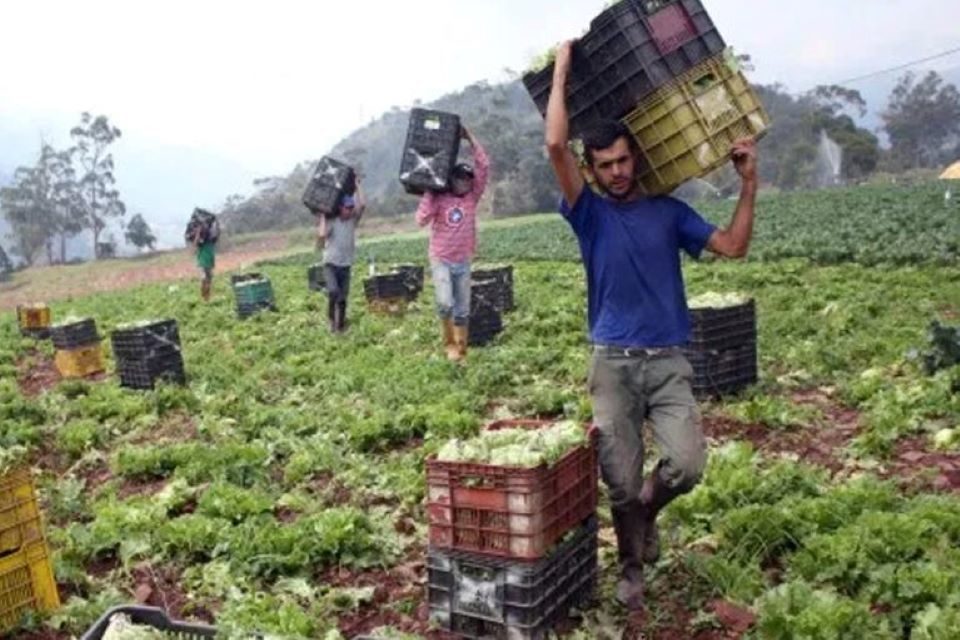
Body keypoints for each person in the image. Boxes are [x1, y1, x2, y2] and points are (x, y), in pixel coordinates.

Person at [545, 41, 759, 611]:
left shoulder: (669, 211)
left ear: (635, 156)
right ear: (592, 170)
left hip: (667, 361)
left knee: (685, 466)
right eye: (605, 164)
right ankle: (632, 566)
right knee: (617, 478)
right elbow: (553, 145)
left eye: (623, 160)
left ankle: (647, 509)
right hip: (611, 362)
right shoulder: (588, 214)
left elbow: (734, 247)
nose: (617, 171)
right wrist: (562, 72)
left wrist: (748, 183)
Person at [415, 126, 489, 362]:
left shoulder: (471, 198)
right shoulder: (439, 199)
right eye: (461, 179)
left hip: (463, 259)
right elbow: (420, 220)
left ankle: (462, 351)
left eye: (468, 180)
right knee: (445, 303)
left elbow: (484, 166)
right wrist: (429, 192)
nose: (466, 183)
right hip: (441, 259)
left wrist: (470, 138)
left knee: (462, 309)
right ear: (452, 180)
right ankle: (448, 345)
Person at [318, 179, 365, 333]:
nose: (350, 210)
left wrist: (357, 185)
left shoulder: (352, 221)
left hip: (345, 264)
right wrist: (323, 216)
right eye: (347, 207)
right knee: (333, 291)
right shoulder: (332, 221)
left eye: (351, 207)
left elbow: (362, 205)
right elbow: (322, 234)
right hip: (330, 264)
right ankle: (331, 319)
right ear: (340, 207)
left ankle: (341, 326)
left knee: (343, 298)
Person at [192, 219, 216, 302]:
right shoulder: (202, 241)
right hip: (203, 263)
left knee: (208, 282)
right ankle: (204, 298)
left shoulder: (210, 240)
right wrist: (198, 233)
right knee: (204, 280)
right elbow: (195, 244)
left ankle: (206, 299)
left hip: (209, 263)